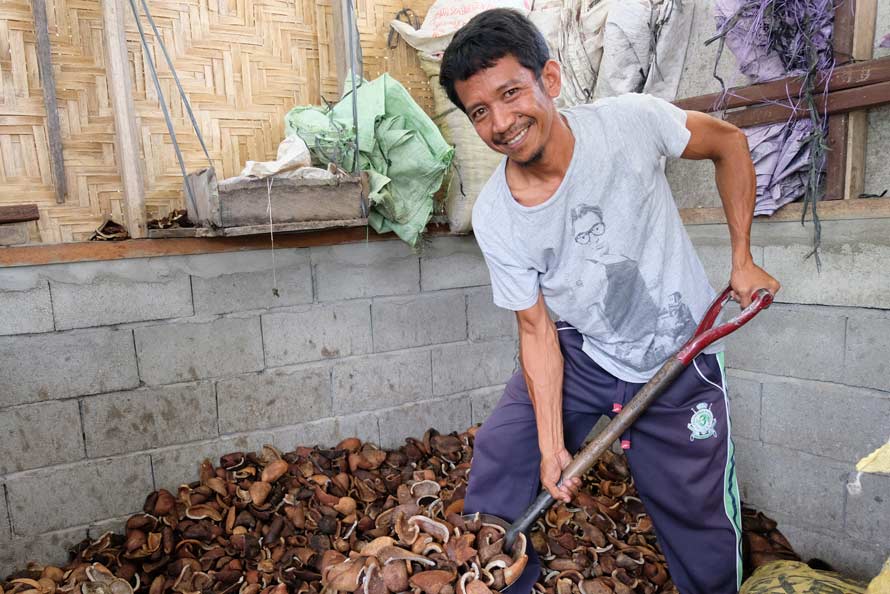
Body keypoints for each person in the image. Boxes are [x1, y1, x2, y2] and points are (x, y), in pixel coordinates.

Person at [438, 8, 781, 594]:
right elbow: (536, 331)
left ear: (549, 79)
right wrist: (551, 448)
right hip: (584, 351)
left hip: (681, 355)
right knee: (504, 454)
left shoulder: (630, 123)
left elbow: (728, 143)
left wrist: (742, 257)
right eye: (479, 112)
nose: (500, 122)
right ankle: (504, 580)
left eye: (510, 93)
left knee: (699, 518)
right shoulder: (497, 216)